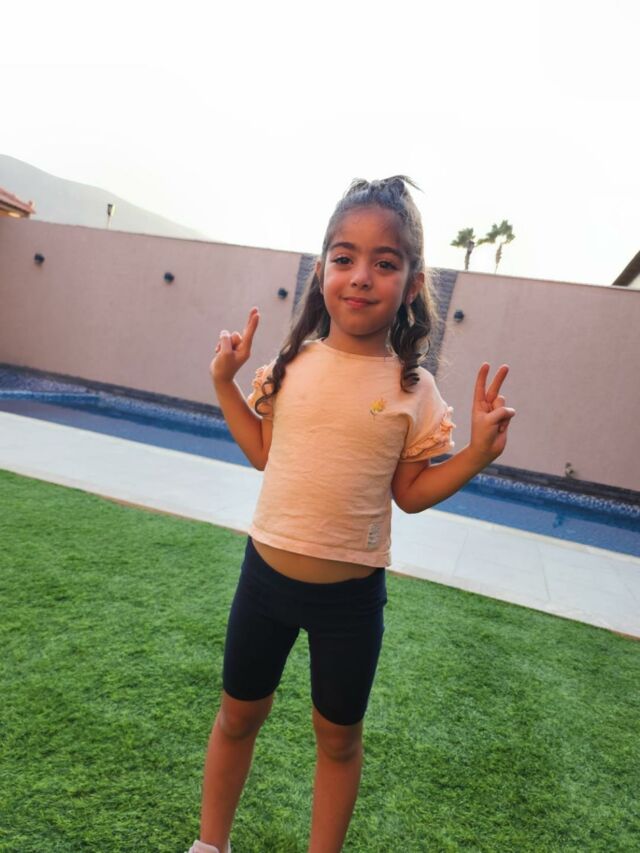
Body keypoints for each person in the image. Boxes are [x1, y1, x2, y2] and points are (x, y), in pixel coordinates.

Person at [187, 176, 516, 853]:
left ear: (412, 283)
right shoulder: (290, 365)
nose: (361, 275)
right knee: (237, 717)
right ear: (322, 270)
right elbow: (262, 453)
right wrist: (224, 381)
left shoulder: (413, 388)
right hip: (264, 582)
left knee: (338, 741)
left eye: (384, 262)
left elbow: (411, 493)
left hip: (350, 602)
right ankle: (210, 843)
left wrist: (478, 453)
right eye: (345, 257)